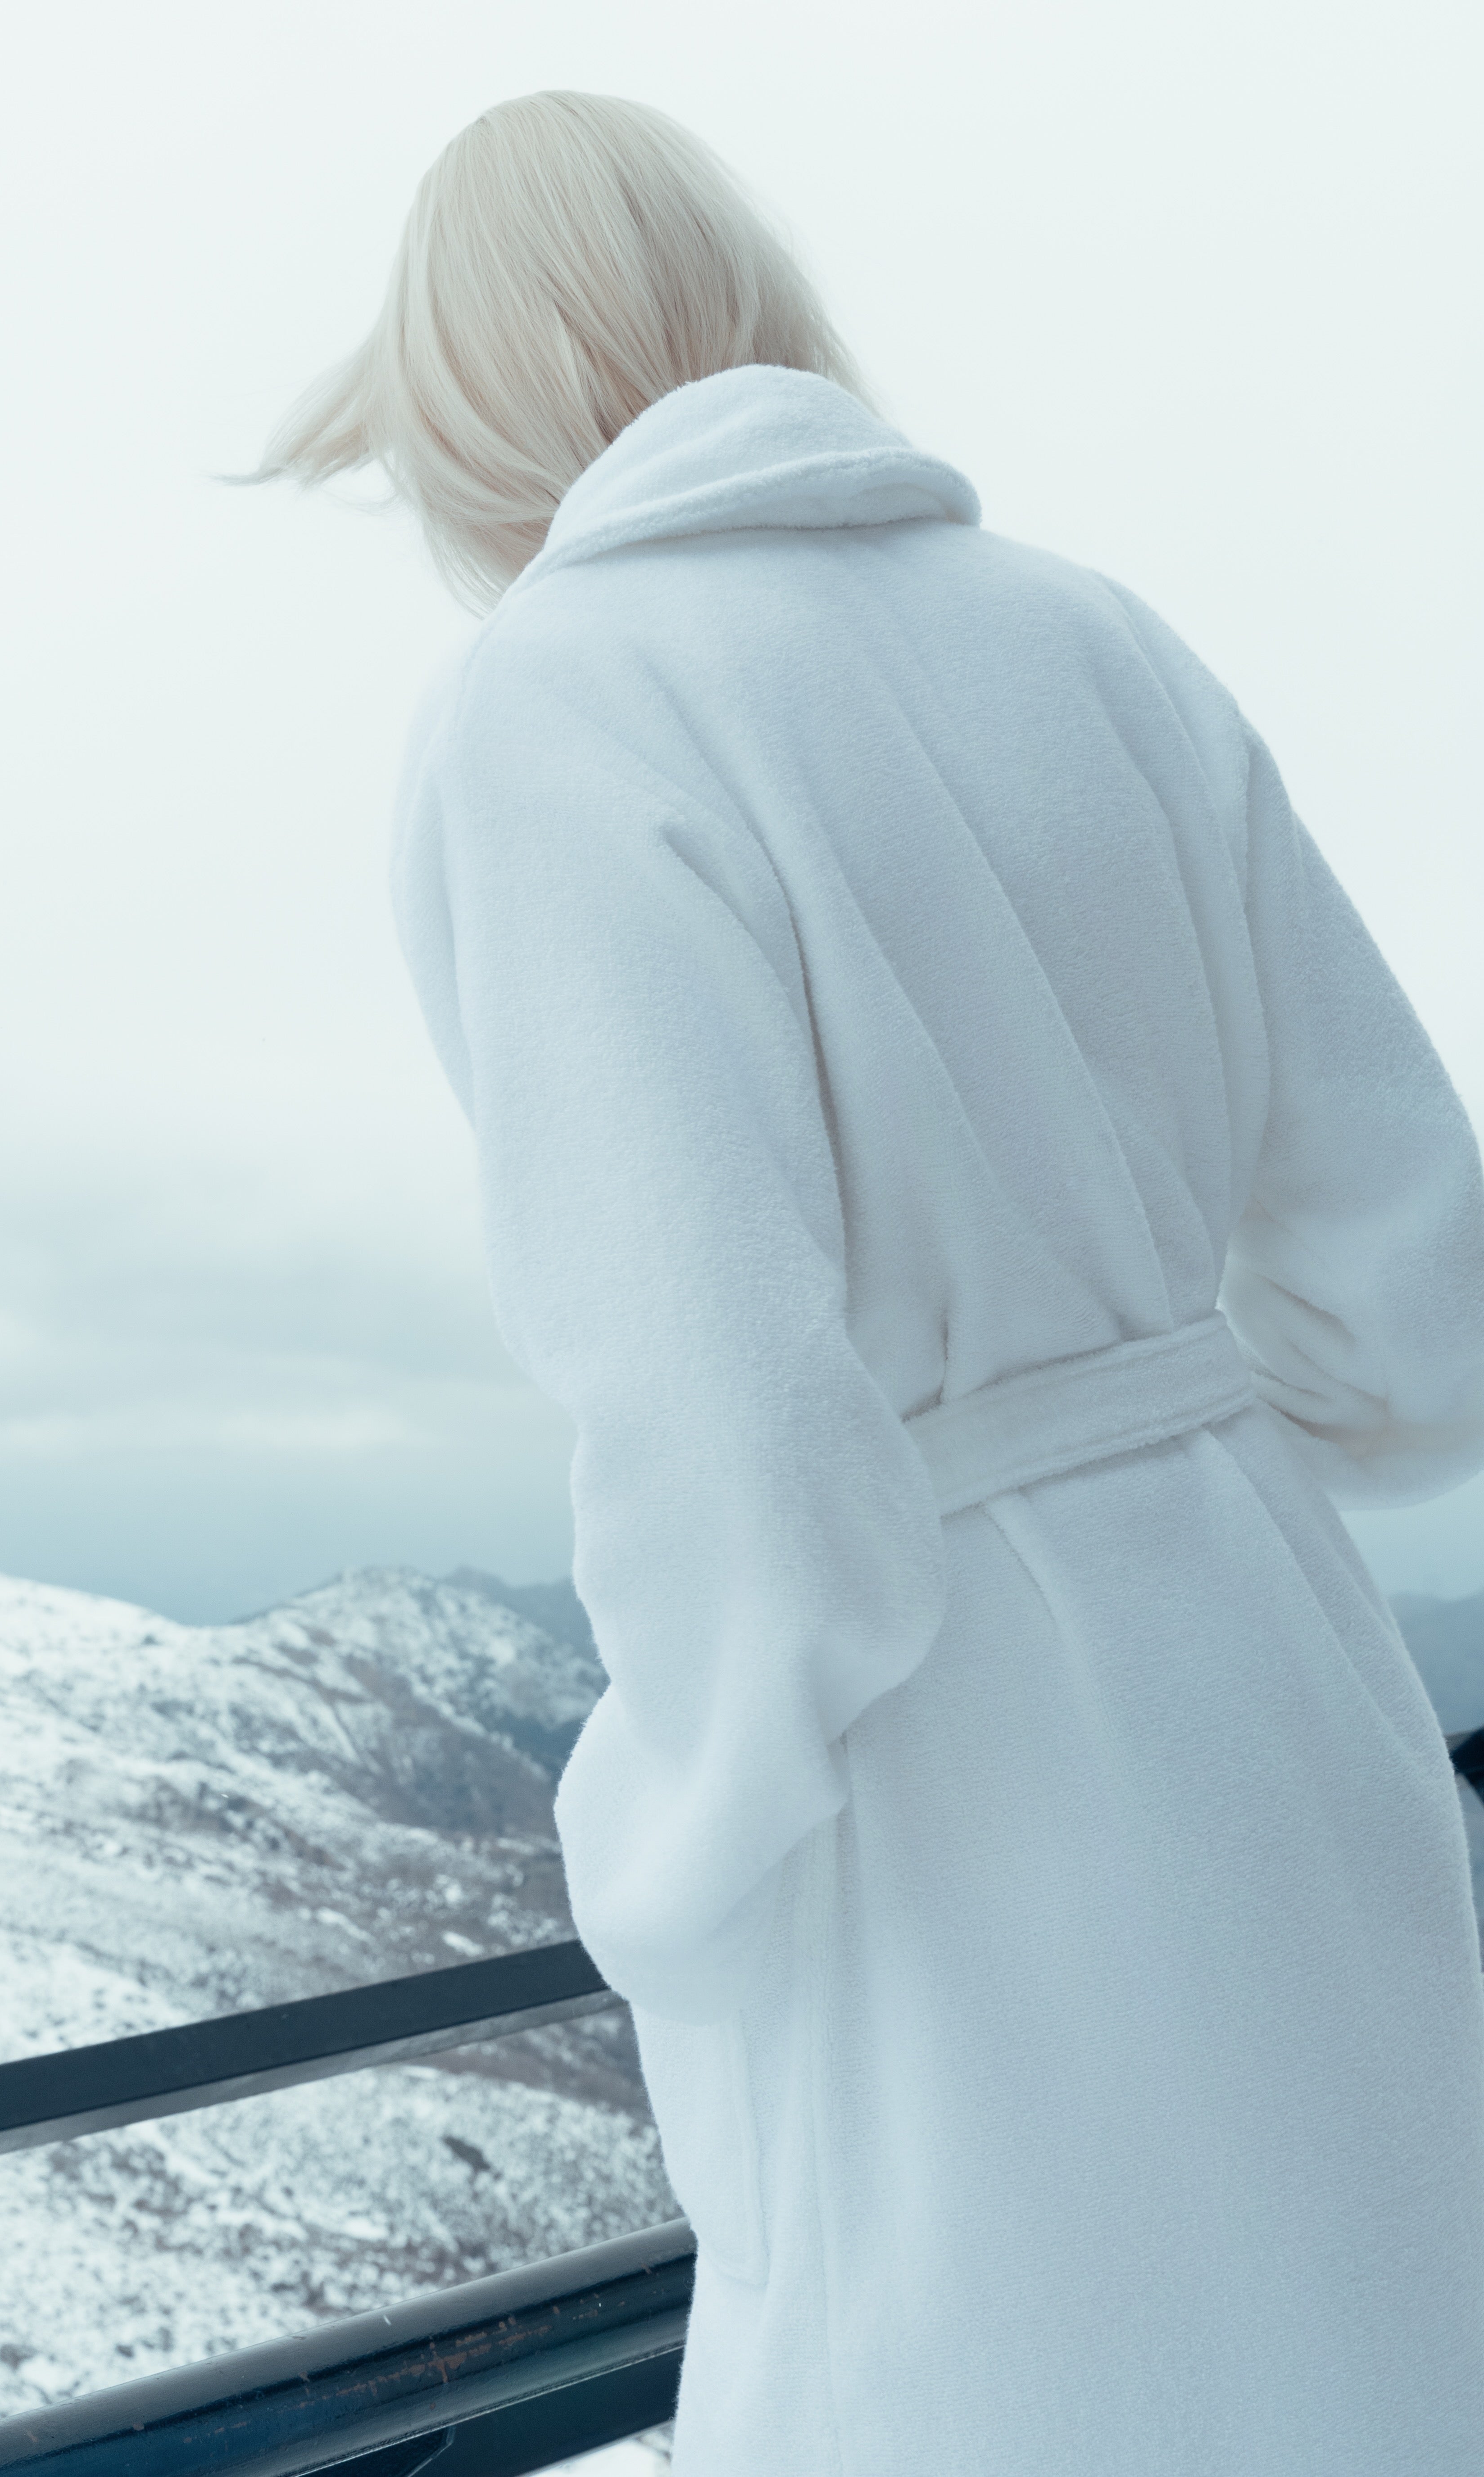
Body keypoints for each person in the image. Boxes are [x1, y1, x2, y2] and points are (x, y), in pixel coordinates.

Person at [251, 91, 1484, 2476]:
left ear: (473, 403)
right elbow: (1425, 1296)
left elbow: (722, 1428)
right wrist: (1177, 1435)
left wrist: (677, 1873)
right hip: (1293, 1712)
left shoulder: (559, 711)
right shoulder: (1096, 639)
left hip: (960, 1800)